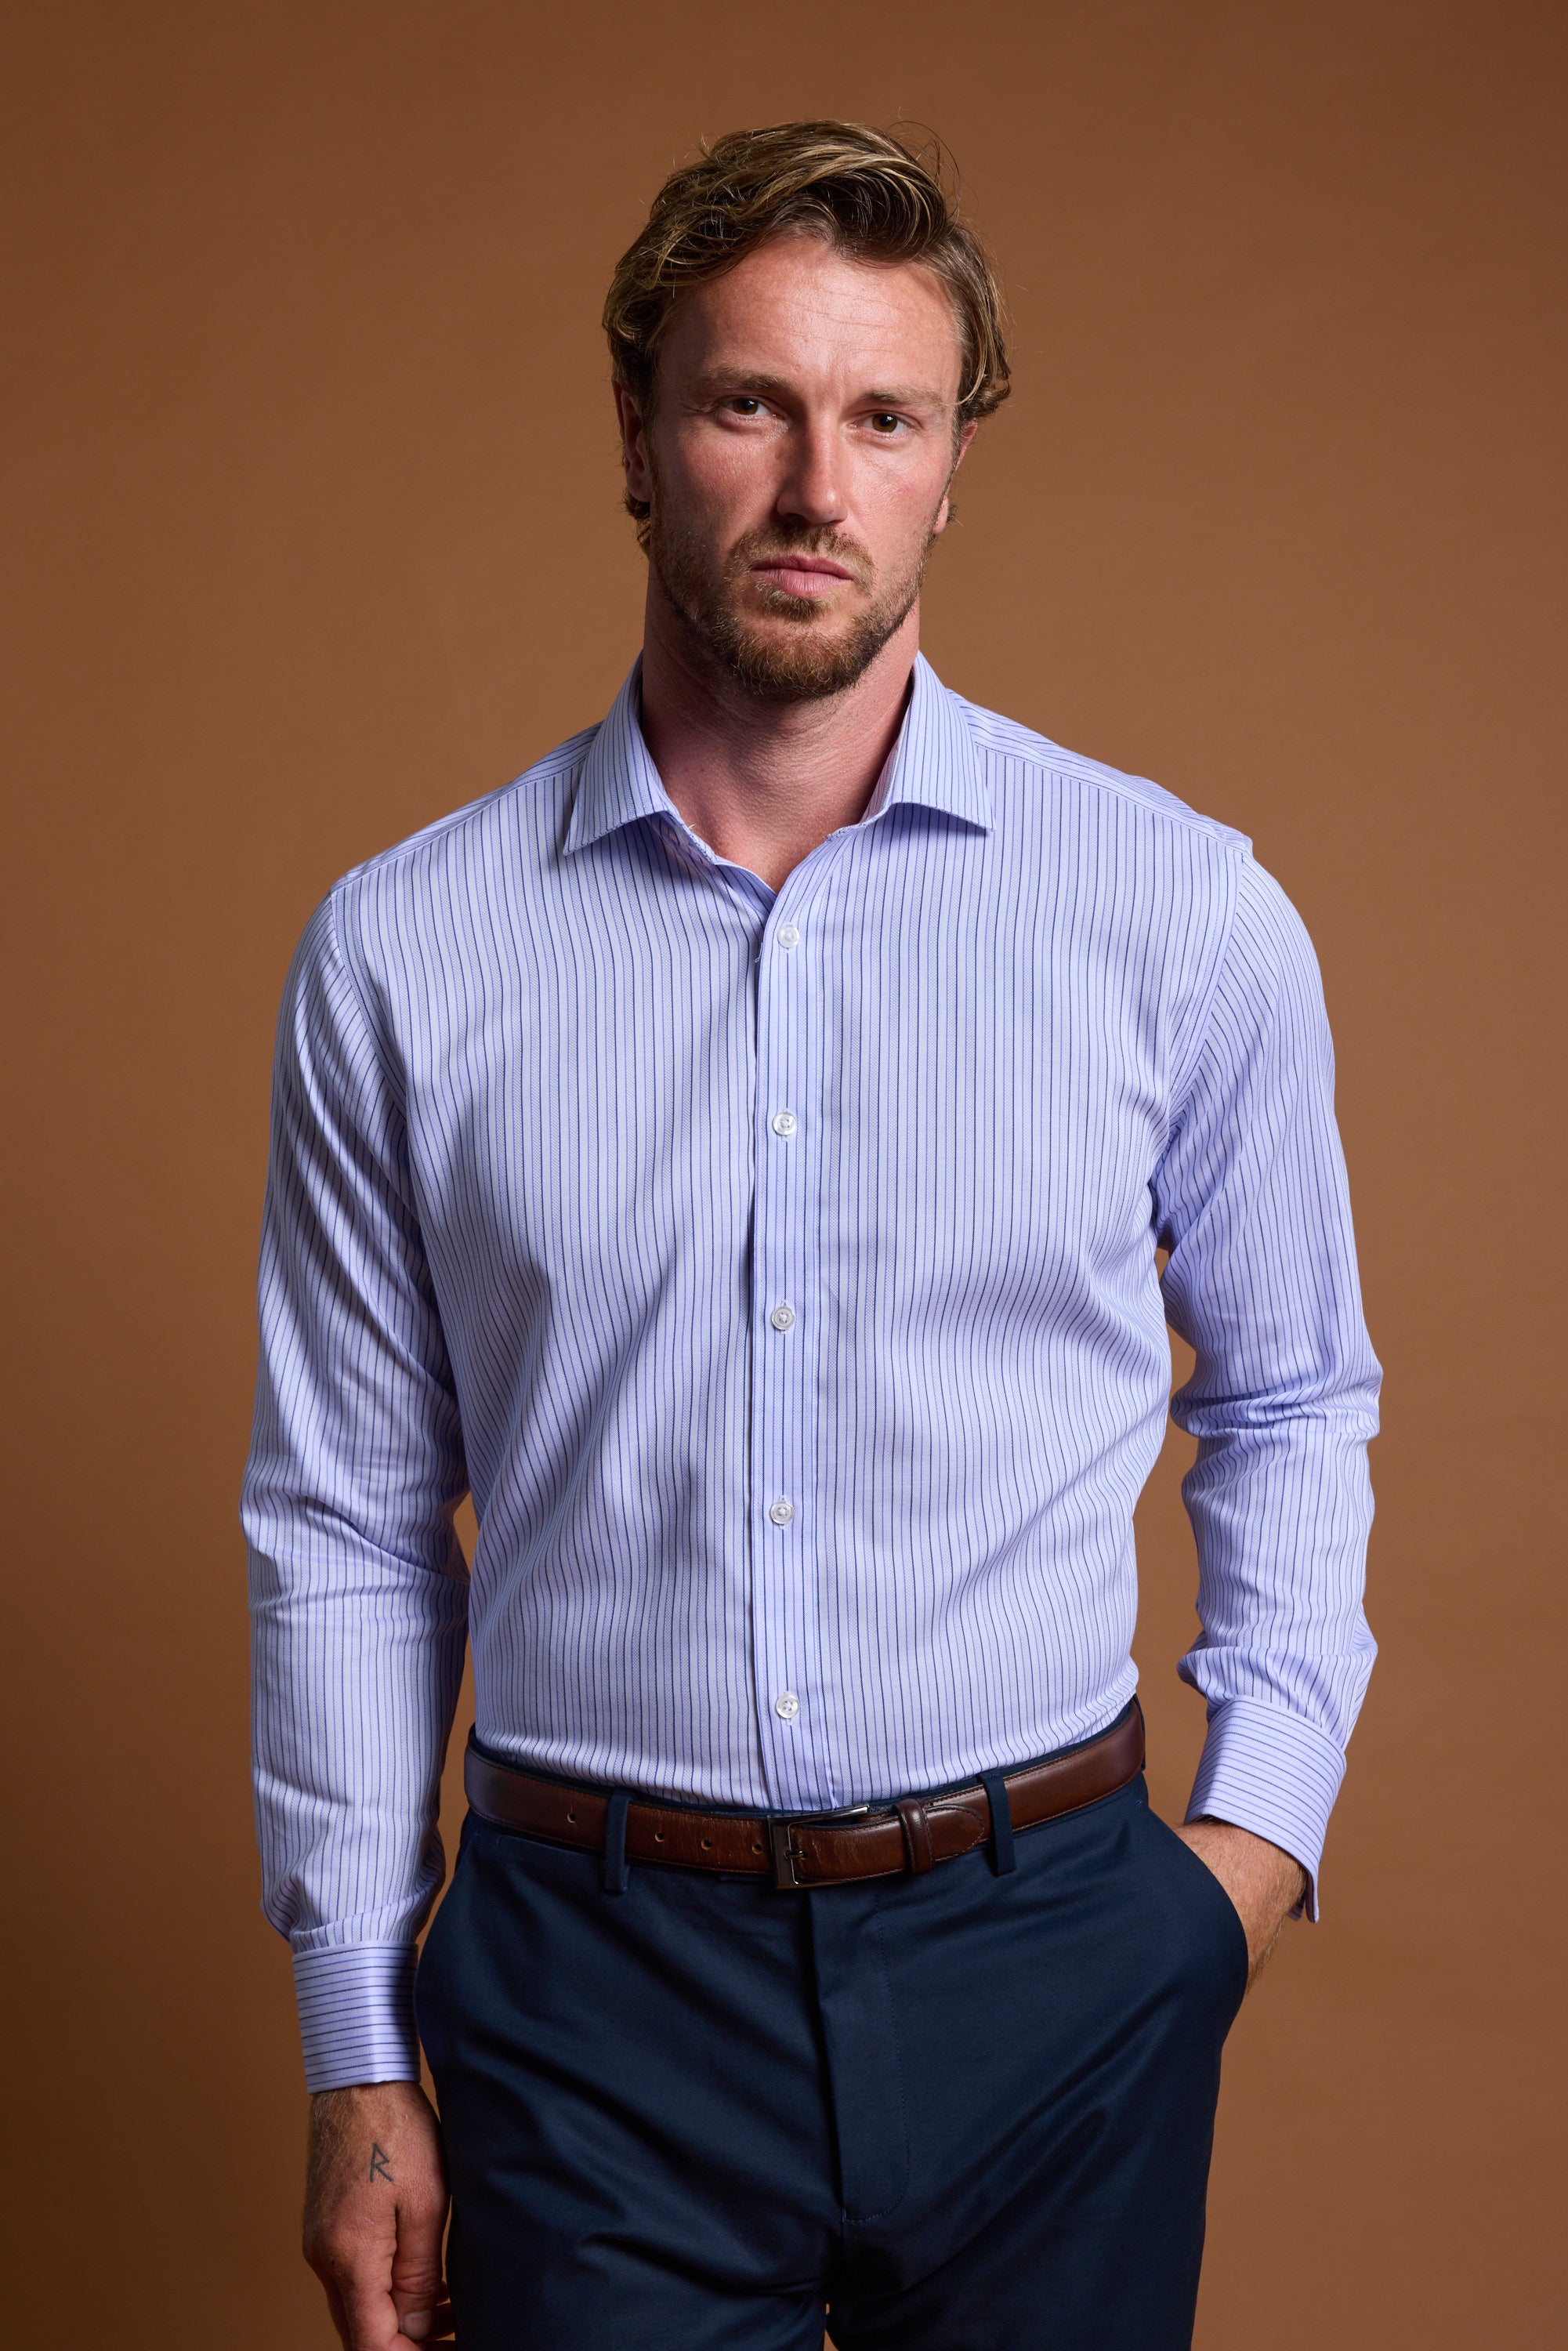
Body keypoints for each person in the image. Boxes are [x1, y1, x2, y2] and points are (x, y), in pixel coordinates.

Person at [244, 120, 1379, 2351]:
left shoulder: (1176, 913)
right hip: (589, 1991)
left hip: (1055, 1951)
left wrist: (1237, 1865)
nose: (811, 485)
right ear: (639, 435)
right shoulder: (405, 953)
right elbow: (351, 1519)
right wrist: (353, 2046)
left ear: (952, 465)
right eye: (747, 402)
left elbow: (1294, 1397)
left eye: (883, 418)